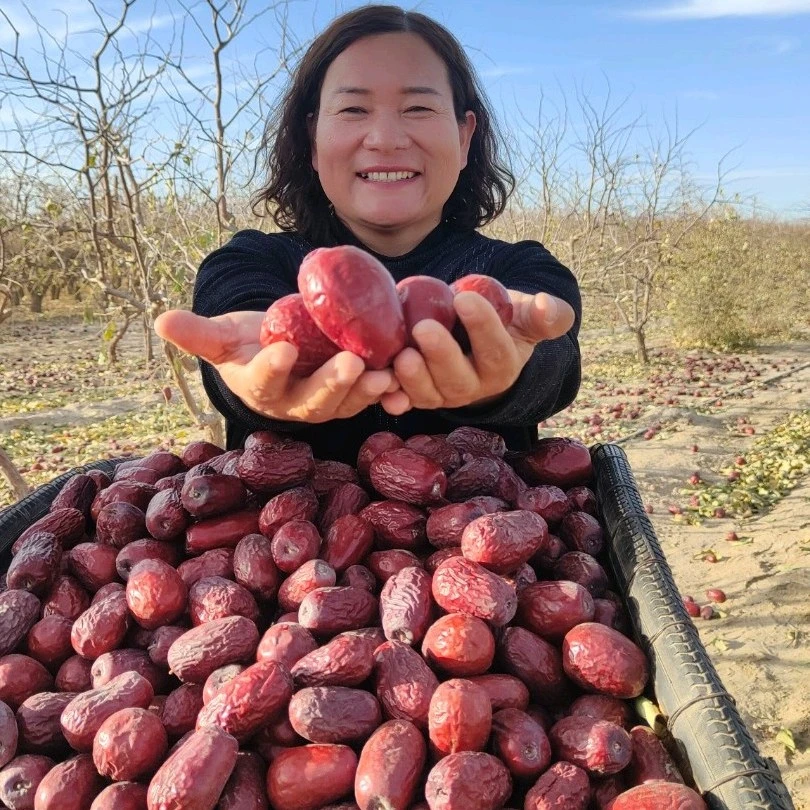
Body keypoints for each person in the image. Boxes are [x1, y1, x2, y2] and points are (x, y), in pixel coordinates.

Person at [155, 4, 581, 465]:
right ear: (313, 138)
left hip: (473, 529)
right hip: (295, 539)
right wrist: (256, 381)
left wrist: (513, 372)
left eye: (418, 107)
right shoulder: (248, 261)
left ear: (464, 137)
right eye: (353, 108)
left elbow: (554, 365)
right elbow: (241, 322)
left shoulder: (522, 270)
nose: (384, 137)